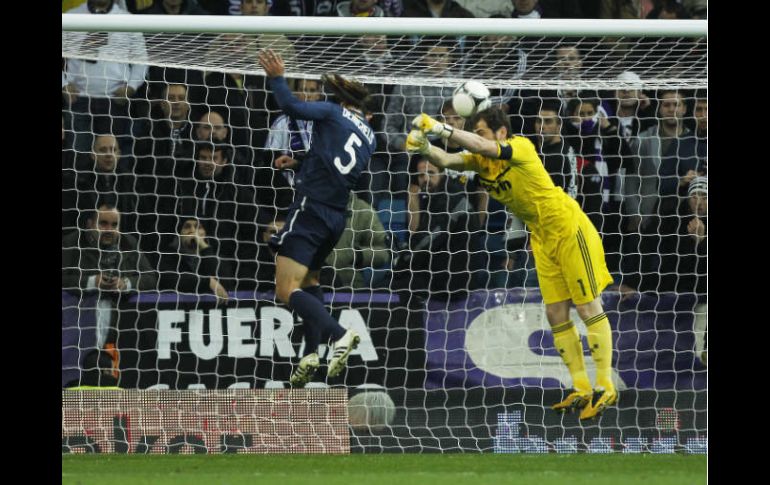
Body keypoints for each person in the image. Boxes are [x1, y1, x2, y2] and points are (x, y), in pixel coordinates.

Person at [407, 107, 617, 419]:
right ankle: (581, 387)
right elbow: (448, 160)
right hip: (541, 237)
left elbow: (479, 146)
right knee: (555, 311)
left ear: (500, 132)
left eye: (480, 132)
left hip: (569, 227)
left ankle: (605, 385)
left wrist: (442, 129)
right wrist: (425, 147)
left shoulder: (520, 147)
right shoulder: (481, 163)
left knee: (587, 306)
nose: (476, 139)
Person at [258, 49, 375, 387]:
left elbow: (292, 107)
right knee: (309, 282)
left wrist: (277, 77)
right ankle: (310, 351)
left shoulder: (333, 112)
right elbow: (333, 162)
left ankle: (339, 334)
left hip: (310, 209)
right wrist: (299, 164)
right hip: (336, 217)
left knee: (285, 288)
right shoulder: (370, 136)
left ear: (339, 96)